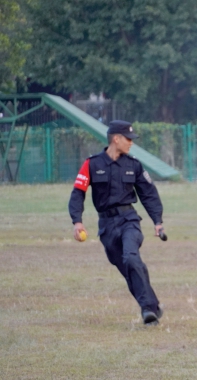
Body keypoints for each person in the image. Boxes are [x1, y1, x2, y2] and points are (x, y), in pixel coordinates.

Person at [68, 120, 165, 325]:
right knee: (129, 270)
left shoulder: (134, 165)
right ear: (116, 139)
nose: (131, 143)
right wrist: (77, 221)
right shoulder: (92, 164)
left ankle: (147, 311)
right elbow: (78, 193)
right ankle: (154, 305)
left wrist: (158, 221)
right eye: (128, 139)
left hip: (129, 220)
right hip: (106, 226)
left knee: (131, 258)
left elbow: (149, 195)